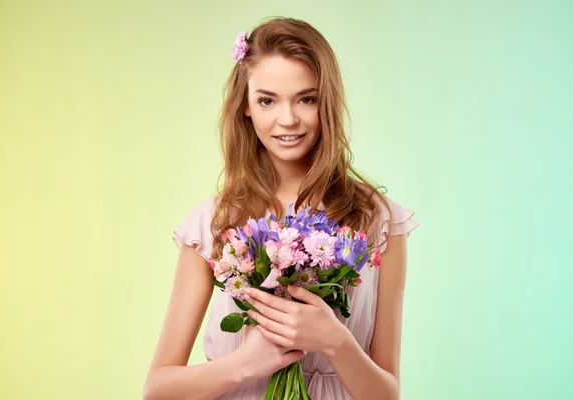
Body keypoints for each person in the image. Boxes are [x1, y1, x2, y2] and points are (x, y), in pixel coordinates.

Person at [144, 17, 419, 400]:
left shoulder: (378, 222)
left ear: (328, 102)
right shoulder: (213, 222)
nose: (287, 119)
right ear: (245, 105)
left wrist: (336, 342)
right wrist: (244, 364)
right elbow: (157, 390)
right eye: (267, 100)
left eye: (307, 98)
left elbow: (387, 395)